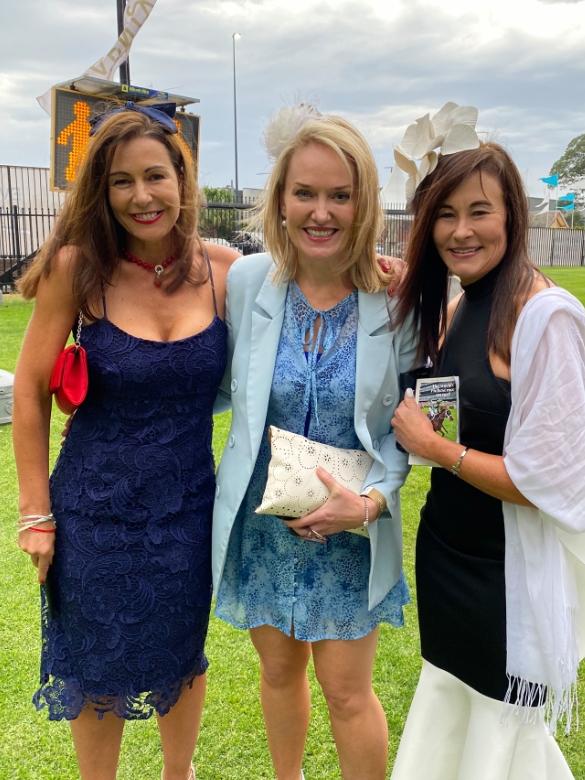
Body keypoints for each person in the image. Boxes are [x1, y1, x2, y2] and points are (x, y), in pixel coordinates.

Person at [13, 105, 238, 780]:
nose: (141, 196)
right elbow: (27, 390)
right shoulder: (77, 268)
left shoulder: (227, 272)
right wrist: (35, 513)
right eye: (120, 181)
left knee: (182, 655)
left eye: (154, 176)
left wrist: (378, 265)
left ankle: (180, 774)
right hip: (93, 512)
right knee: (96, 665)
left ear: (181, 178)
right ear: (100, 193)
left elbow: (320, 282)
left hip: (188, 510)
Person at [212, 108, 418, 780]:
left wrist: (369, 503)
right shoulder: (247, 284)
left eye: (340, 194)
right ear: (280, 199)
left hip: (351, 534)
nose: (321, 212)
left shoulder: (394, 301)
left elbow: (411, 431)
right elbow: (216, 384)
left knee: (348, 693)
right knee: (277, 675)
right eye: (305, 193)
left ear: (364, 204)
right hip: (263, 526)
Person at [389, 108, 585, 779]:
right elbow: (447, 410)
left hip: (506, 580)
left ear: (512, 217)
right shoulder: (459, 305)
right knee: (451, 715)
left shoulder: (544, 317)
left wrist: (439, 451)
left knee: (505, 736)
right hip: (447, 558)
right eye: (444, 214)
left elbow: (546, 482)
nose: (461, 230)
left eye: (479, 211)